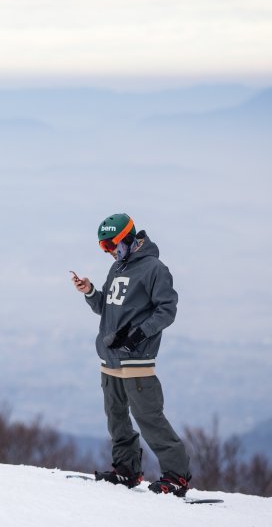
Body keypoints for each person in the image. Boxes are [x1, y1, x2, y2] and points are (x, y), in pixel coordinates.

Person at [71, 212, 192, 496]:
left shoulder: (154, 269)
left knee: (148, 416)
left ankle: (176, 475)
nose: (109, 252)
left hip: (137, 360)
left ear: (128, 238)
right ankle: (127, 470)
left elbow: (167, 310)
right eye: (104, 248)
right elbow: (107, 308)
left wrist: (139, 334)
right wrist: (89, 292)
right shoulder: (117, 269)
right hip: (111, 359)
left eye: (111, 245)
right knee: (116, 418)